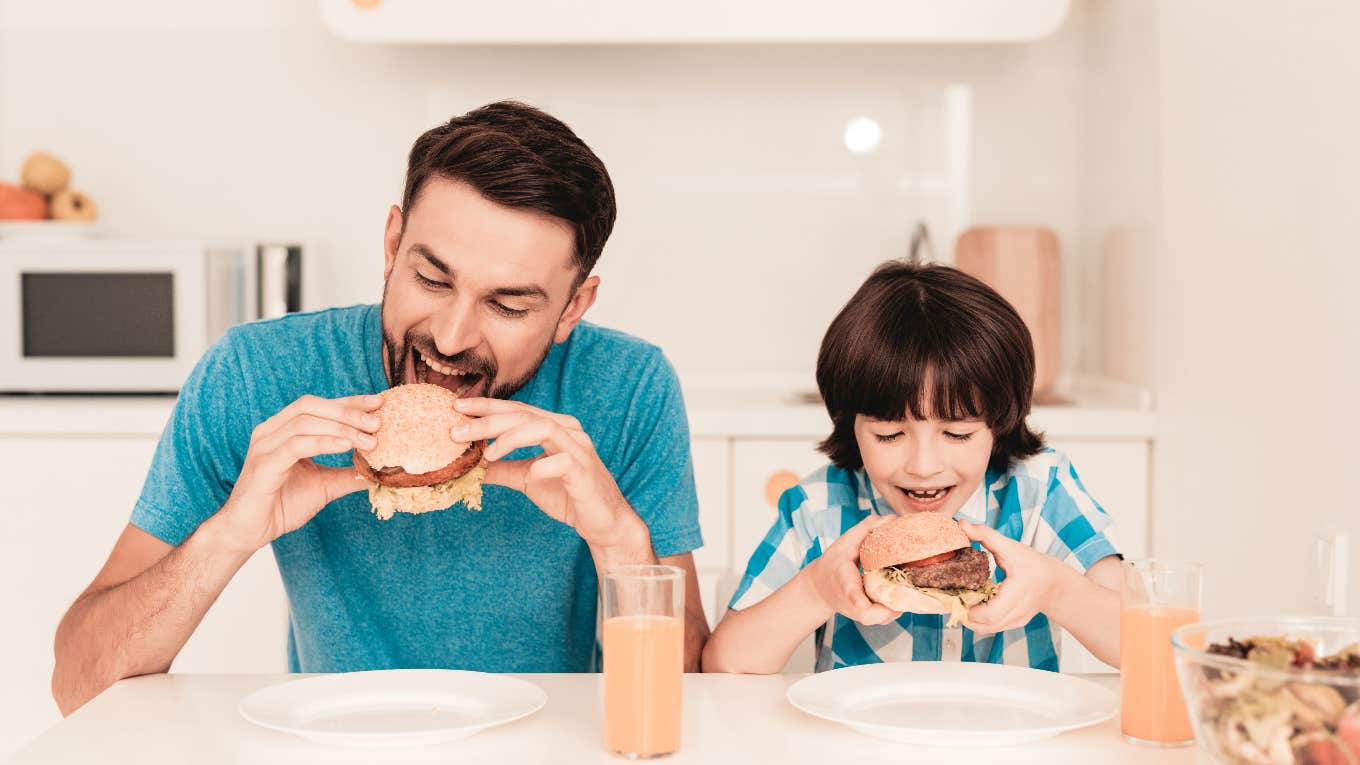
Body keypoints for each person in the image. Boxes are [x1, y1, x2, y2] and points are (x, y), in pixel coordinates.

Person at [52, 101, 709, 714]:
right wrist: (231, 532)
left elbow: (686, 706)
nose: (451, 338)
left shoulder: (629, 387)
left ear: (573, 307)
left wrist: (619, 540)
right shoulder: (258, 374)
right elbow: (79, 686)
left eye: (507, 306)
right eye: (431, 278)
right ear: (393, 243)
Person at [702, 261, 1121, 673]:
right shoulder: (818, 507)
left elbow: (1149, 644)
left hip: (1014, 737)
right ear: (851, 425)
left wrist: (1055, 589)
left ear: (999, 423)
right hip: (856, 738)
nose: (923, 467)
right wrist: (816, 591)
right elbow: (725, 665)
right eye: (889, 435)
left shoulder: (1041, 490)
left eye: (957, 434)